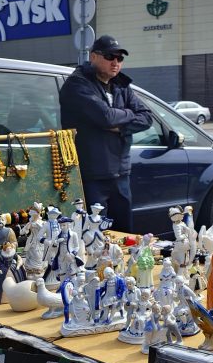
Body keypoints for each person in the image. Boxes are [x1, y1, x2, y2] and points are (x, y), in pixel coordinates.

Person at [59, 35, 153, 233]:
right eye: (110, 56)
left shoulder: (121, 85)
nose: (116, 62)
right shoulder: (77, 84)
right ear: (93, 56)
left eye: (120, 58)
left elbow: (146, 117)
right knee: (94, 237)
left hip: (121, 174)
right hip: (92, 175)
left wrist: (121, 125)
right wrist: (127, 115)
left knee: (124, 233)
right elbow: (106, 117)